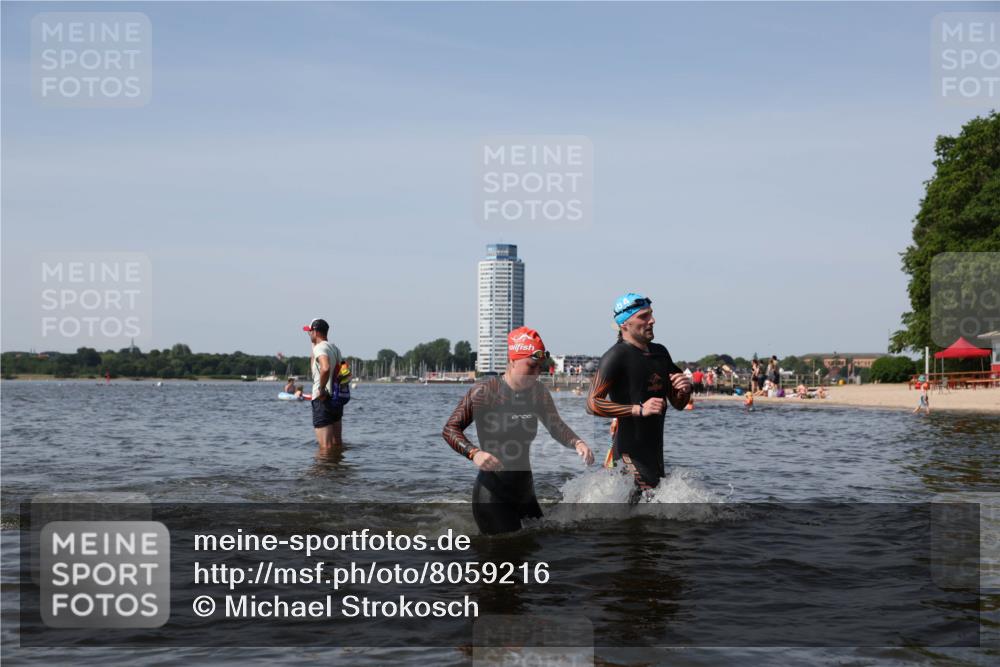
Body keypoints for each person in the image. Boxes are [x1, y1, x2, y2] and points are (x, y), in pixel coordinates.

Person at [442, 327, 594, 535]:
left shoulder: (538, 393)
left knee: (540, 553)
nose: (536, 373)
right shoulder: (484, 392)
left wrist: (578, 443)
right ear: (512, 360)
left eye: (539, 367)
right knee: (506, 559)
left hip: (525, 491)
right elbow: (451, 429)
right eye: (531, 367)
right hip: (493, 494)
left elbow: (555, 426)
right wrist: (474, 453)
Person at [586, 293, 692, 499]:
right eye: (644, 316)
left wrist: (684, 390)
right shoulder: (616, 356)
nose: (652, 320)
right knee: (646, 511)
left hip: (655, 455)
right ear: (624, 324)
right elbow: (592, 404)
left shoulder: (660, 353)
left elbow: (678, 403)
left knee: (649, 515)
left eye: (651, 314)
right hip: (628, 453)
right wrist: (638, 409)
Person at [303, 318, 344, 452]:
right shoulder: (335, 348)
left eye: (309, 332)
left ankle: (323, 472)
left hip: (323, 400)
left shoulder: (320, 348)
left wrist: (321, 389)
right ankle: (335, 471)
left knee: (325, 447)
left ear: (315, 331)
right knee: (337, 444)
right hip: (336, 401)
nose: (308, 335)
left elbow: (325, 368)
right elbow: (345, 373)